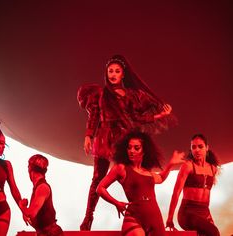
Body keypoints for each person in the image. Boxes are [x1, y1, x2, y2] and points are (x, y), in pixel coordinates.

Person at [77, 54, 177, 230]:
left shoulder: (132, 95)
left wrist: (159, 115)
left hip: (123, 139)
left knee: (133, 175)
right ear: (106, 73)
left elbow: (136, 117)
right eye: (110, 71)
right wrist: (88, 136)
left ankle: (138, 212)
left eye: (117, 71)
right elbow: (94, 116)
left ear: (123, 74)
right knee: (97, 178)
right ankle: (88, 217)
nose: (113, 74)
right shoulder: (101, 94)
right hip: (104, 137)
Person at [97, 130, 185, 236]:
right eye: (129, 147)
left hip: (154, 216)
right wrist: (116, 203)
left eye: (136, 148)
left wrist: (170, 165)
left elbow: (161, 178)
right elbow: (100, 188)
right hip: (134, 216)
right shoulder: (121, 168)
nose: (131, 151)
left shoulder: (147, 172)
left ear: (144, 151)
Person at [166, 134, 220, 236]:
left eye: (200, 146)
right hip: (187, 213)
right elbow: (176, 193)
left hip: (204, 211)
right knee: (214, 233)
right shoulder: (188, 166)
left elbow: (205, 196)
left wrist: (209, 218)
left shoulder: (213, 169)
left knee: (214, 233)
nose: (197, 150)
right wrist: (170, 218)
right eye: (193, 147)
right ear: (191, 149)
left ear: (207, 148)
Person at [19, 154, 63, 236]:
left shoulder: (42, 188)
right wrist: (25, 212)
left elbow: (31, 214)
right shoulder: (38, 187)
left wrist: (22, 206)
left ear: (30, 170)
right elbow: (33, 217)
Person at [0, 123, 25, 236]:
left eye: (4, 144)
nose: (4, 146)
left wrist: (23, 209)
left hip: (2, 209)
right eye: (1, 143)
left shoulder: (7, 165)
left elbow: (14, 189)